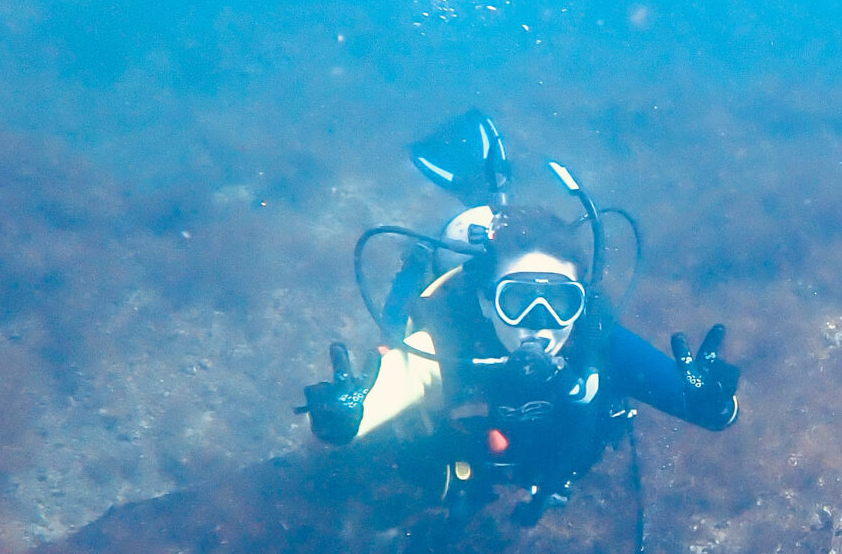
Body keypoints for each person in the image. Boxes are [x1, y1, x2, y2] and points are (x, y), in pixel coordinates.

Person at [302, 110, 740, 531]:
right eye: (518, 300)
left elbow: (708, 413)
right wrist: (340, 421)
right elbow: (364, 414)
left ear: (581, 303)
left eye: (559, 302)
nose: (540, 323)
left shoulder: (595, 342)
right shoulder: (444, 347)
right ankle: (439, 240)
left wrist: (713, 403)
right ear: (486, 302)